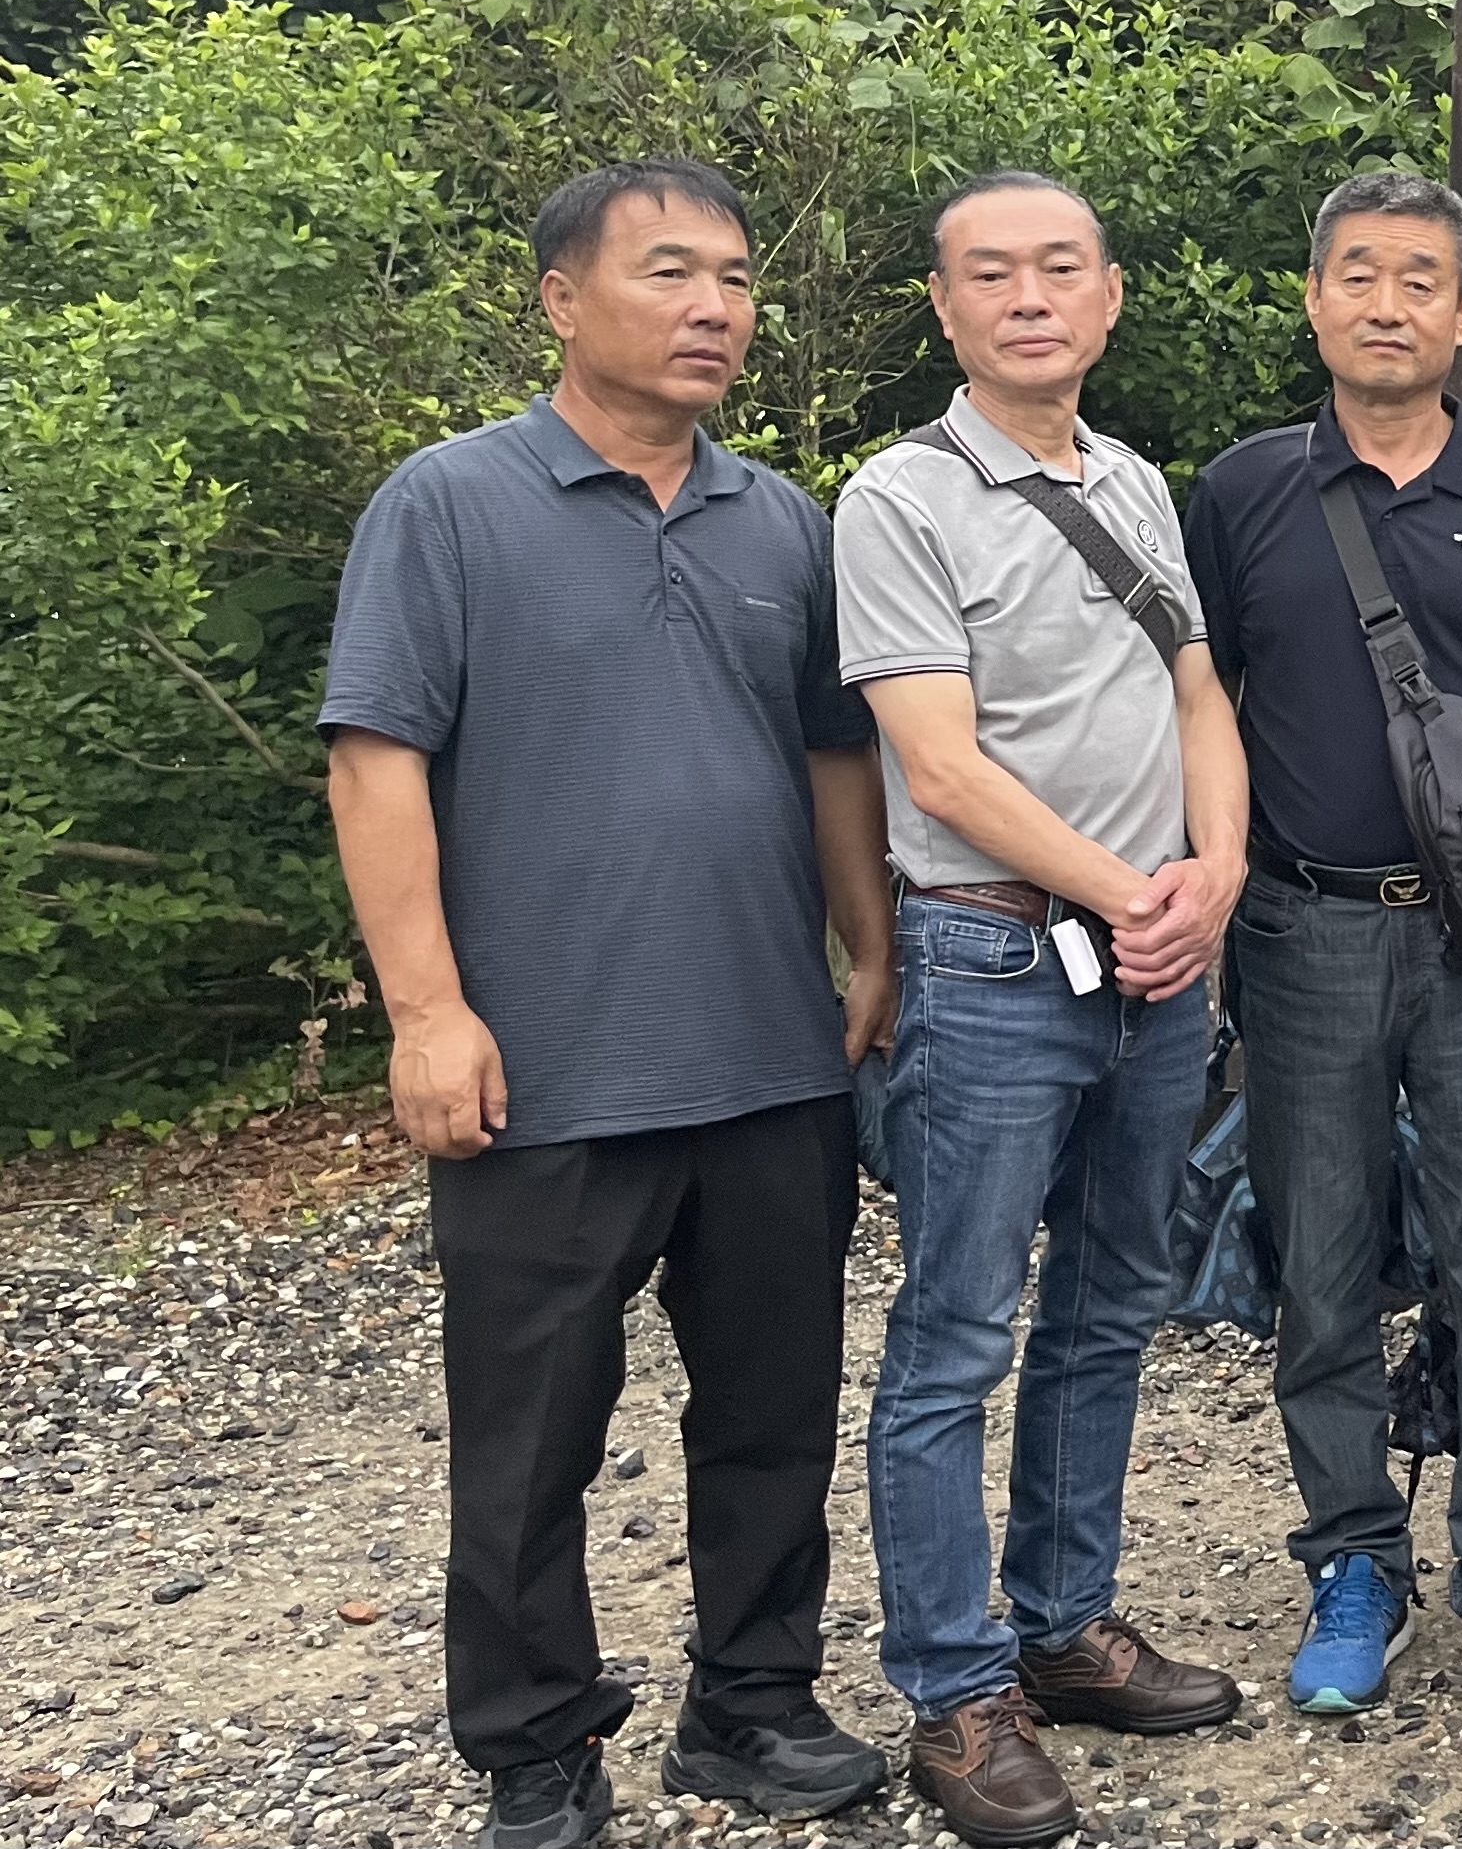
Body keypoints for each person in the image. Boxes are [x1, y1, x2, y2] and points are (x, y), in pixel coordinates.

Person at [321, 160, 895, 1849]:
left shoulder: (782, 523)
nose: (714, 308)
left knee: (774, 1417)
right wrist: (426, 1012)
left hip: (770, 1057)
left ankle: (752, 1703)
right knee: (529, 1440)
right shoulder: (449, 505)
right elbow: (375, 761)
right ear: (563, 301)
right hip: (546, 1070)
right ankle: (535, 1746)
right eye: (670, 273)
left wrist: (869, 945)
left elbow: (834, 756)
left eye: (736, 278)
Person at [1178, 171, 1462, 1728]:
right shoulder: (1242, 493)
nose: (1388, 304)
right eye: (1361, 274)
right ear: (1315, 300)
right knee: (1317, 1271)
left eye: (1420, 279)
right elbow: (1203, 704)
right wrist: (1212, 877)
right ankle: (1350, 1560)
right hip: (1301, 928)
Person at [836, 173, 1252, 1846]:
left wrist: (1215, 872)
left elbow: (1198, 690)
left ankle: (1064, 1626)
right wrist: (1132, 892)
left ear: (1109, 294)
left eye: (1058, 269)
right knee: (955, 1330)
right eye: (991, 274)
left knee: (1108, 1301)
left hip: (1157, 958)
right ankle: (954, 1693)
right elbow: (937, 767)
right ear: (944, 309)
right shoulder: (900, 498)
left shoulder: (1137, 483)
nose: (1029, 299)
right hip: (993, 958)